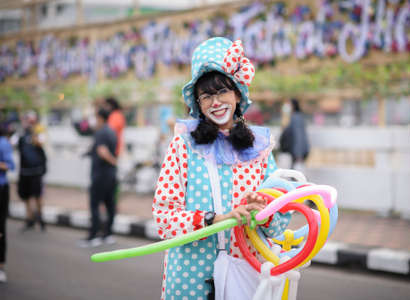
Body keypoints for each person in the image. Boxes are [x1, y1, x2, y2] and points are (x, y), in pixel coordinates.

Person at [152, 37, 291, 300]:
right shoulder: (183, 145)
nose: (215, 102)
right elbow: (163, 218)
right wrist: (216, 219)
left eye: (222, 92)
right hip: (191, 278)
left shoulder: (260, 149)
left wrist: (262, 206)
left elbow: (279, 223)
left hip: (249, 274)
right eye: (206, 95)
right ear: (198, 103)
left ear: (237, 94)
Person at [78, 108, 118, 247]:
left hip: (100, 175)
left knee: (94, 205)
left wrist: (113, 160)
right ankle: (108, 234)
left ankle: (93, 236)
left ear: (100, 118)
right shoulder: (112, 131)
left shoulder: (100, 132)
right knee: (110, 205)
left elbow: (102, 151)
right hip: (111, 175)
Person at [17, 111, 47, 231]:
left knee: (37, 196)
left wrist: (35, 134)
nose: (28, 123)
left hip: (36, 171)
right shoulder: (21, 135)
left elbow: (41, 143)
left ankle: (40, 217)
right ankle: (29, 218)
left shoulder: (39, 133)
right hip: (24, 171)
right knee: (26, 196)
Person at [0, 124, 15, 283]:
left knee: (0, 228)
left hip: (1, 190)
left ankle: (1, 266)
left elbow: (11, 165)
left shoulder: (3, 143)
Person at [280, 98, 310, 169]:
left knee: (295, 174)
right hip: (294, 152)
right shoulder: (294, 117)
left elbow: (299, 136)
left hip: (297, 154)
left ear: (293, 106)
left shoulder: (296, 118)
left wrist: (298, 154)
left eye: (289, 105)